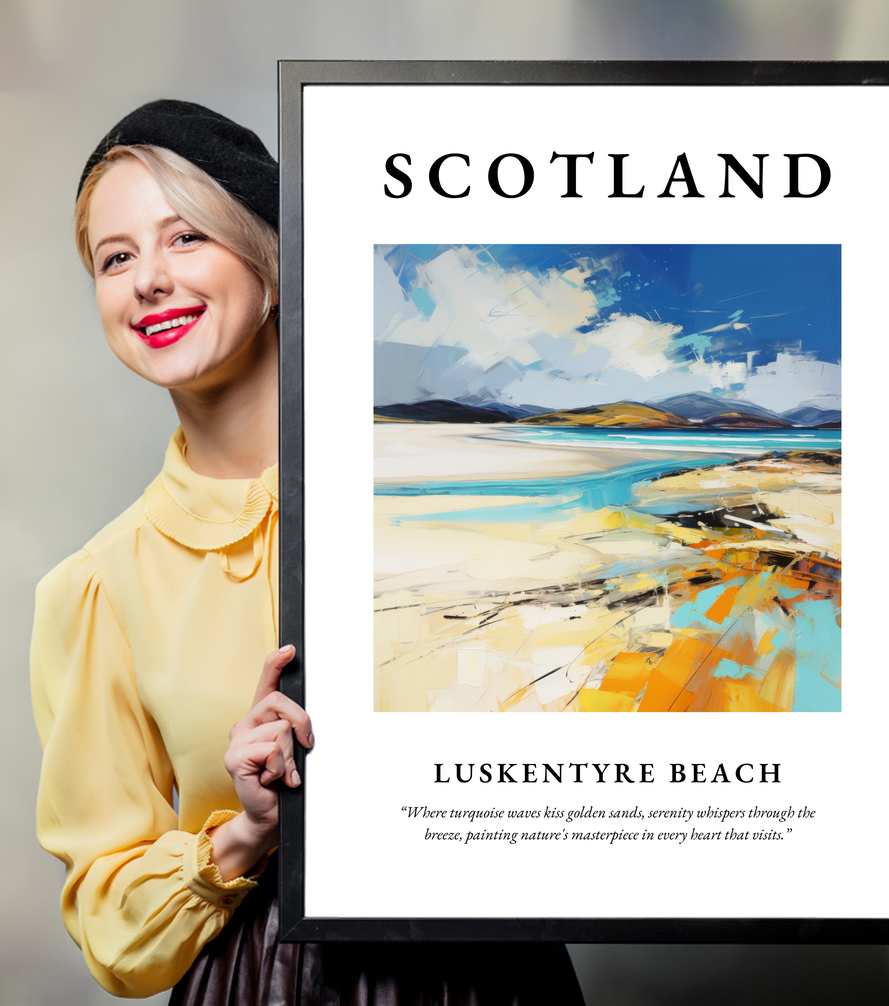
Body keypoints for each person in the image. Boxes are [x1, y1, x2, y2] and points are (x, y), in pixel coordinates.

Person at [30, 100, 585, 1004]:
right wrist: (245, 832)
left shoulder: (457, 492)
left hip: (491, 974)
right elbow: (110, 924)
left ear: (273, 264)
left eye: (186, 239)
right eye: (116, 257)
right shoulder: (97, 587)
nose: (148, 281)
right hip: (262, 982)